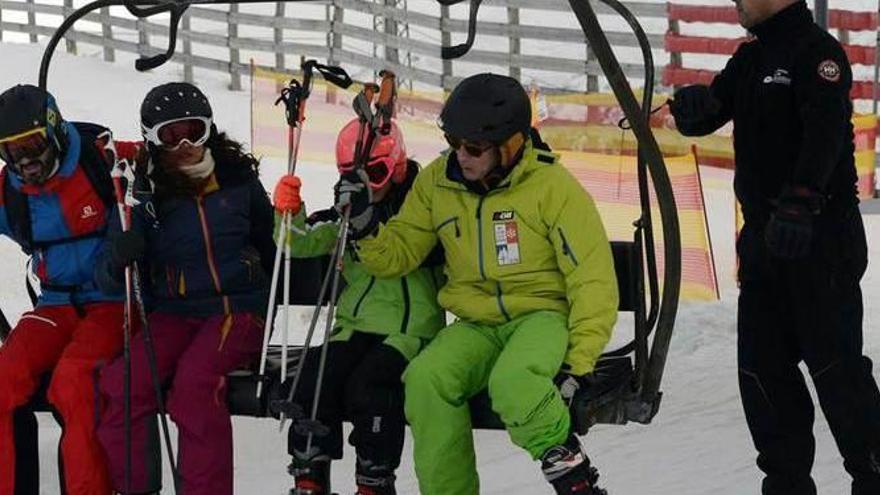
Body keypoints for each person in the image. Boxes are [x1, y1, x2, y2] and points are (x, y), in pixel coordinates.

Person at [336, 73, 618, 495]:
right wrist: (365, 228)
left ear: (512, 144)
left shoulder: (552, 188)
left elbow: (592, 279)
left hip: (540, 316)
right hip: (476, 325)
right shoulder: (438, 183)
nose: (461, 157)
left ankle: (571, 473)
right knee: (426, 379)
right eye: (454, 143)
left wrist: (578, 364)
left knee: (514, 383)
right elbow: (401, 253)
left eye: (473, 148)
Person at [669, 1, 880, 493]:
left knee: (838, 374)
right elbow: (712, 111)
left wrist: (803, 201)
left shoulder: (818, 54)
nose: (736, 0)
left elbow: (826, 135)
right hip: (766, 247)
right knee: (763, 377)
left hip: (820, 243)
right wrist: (692, 108)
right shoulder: (750, 59)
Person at [94, 82, 276, 495]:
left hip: (237, 308)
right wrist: (121, 253)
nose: (185, 145)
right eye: (170, 136)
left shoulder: (236, 178)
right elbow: (109, 278)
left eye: (194, 130)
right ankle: (134, 486)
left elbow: (273, 245)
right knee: (121, 385)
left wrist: (266, 290)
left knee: (194, 388)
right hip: (174, 313)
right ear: (151, 140)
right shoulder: (142, 194)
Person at [273, 118, 446, 495]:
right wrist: (289, 212)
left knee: (370, 387)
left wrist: (372, 224)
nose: (369, 185)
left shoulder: (421, 214)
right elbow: (298, 243)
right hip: (354, 327)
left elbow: (436, 251)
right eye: (354, 175)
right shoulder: (346, 216)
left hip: (408, 330)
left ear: (399, 166)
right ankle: (309, 476)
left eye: (378, 173)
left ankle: (374, 479)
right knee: (311, 381)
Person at [0, 84, 125, 495]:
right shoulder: (11, 190)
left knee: (74, 383)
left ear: (53, 129)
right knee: (4, 379)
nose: (26, 160)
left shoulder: (98, 162)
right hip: (55, 304)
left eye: (32, 144)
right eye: (12, 150)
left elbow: (165, 166)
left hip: (110, 303)